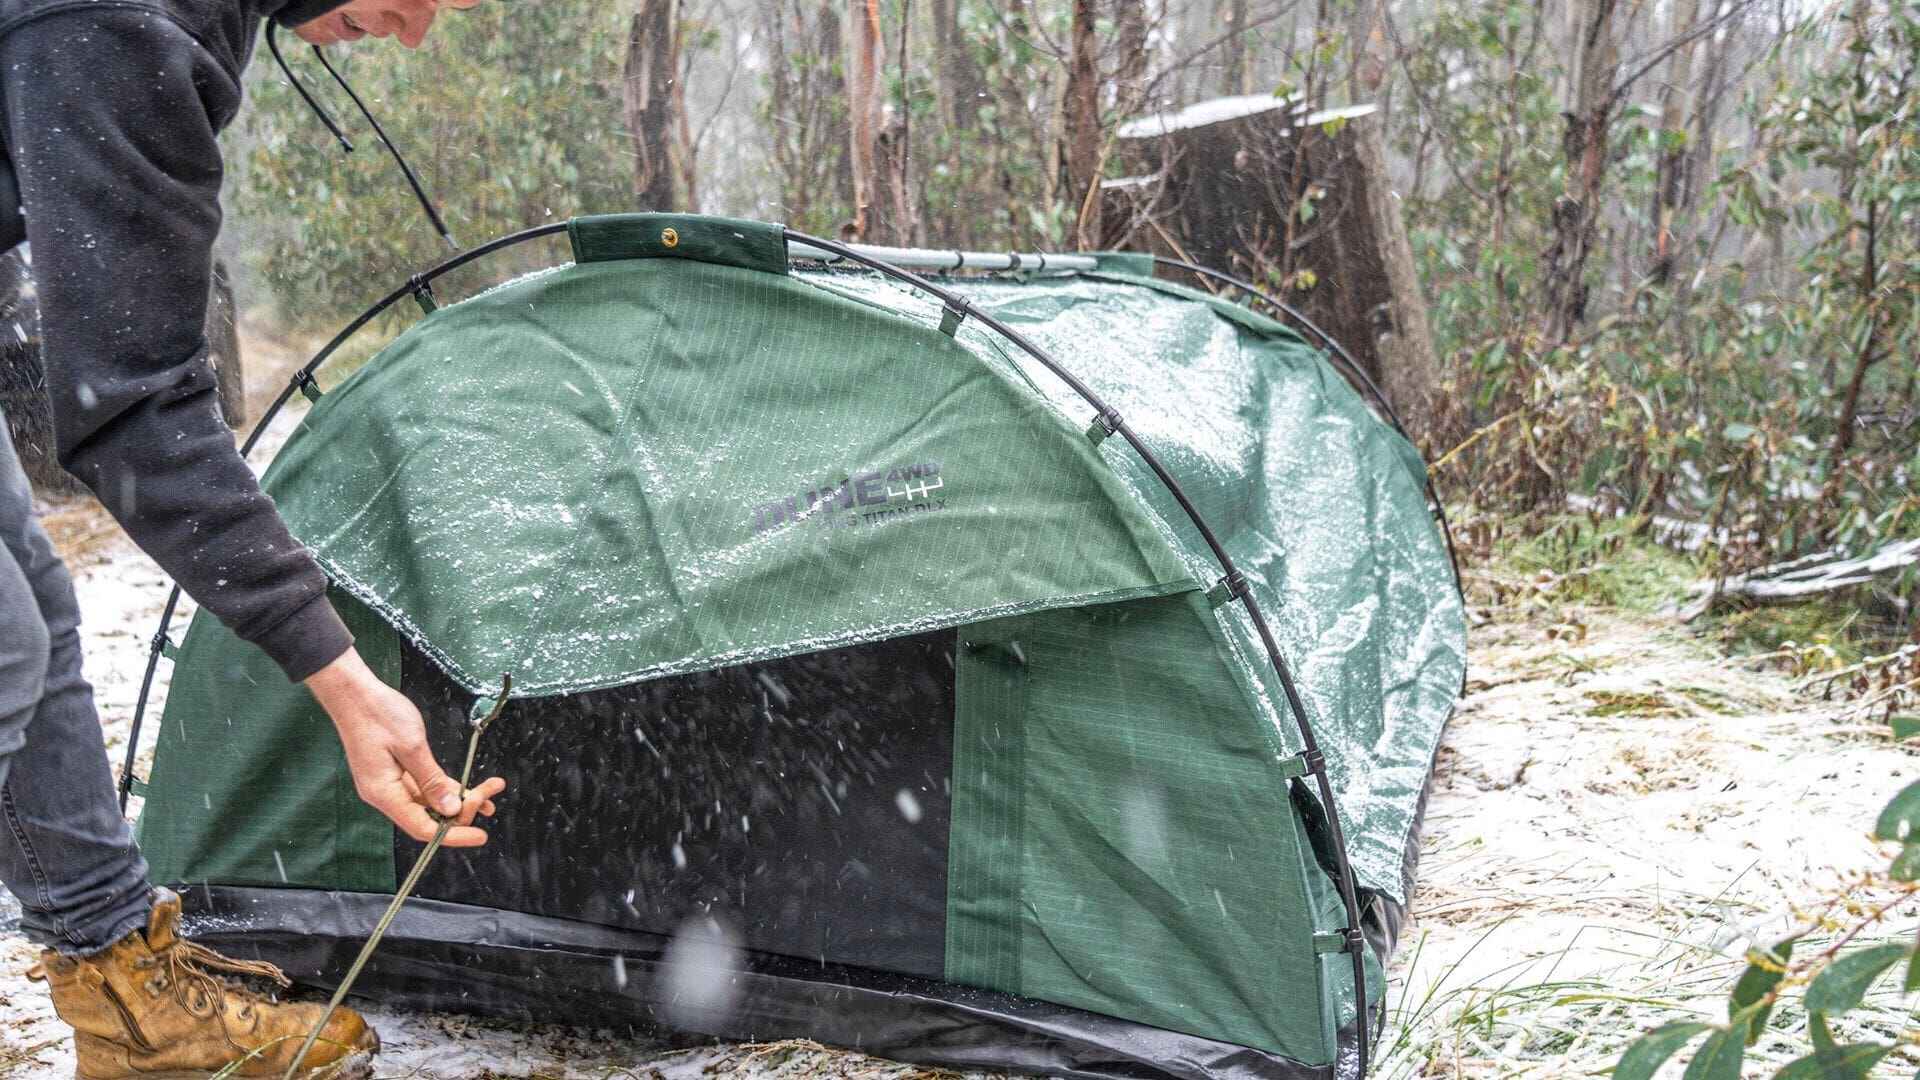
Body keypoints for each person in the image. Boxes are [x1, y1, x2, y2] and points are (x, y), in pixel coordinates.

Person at [0, 0, 508, 1075]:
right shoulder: (114, 16)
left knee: (33, 619)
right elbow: (133, 405)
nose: (416, 33)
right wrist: (340, 678)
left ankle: (124, 996)